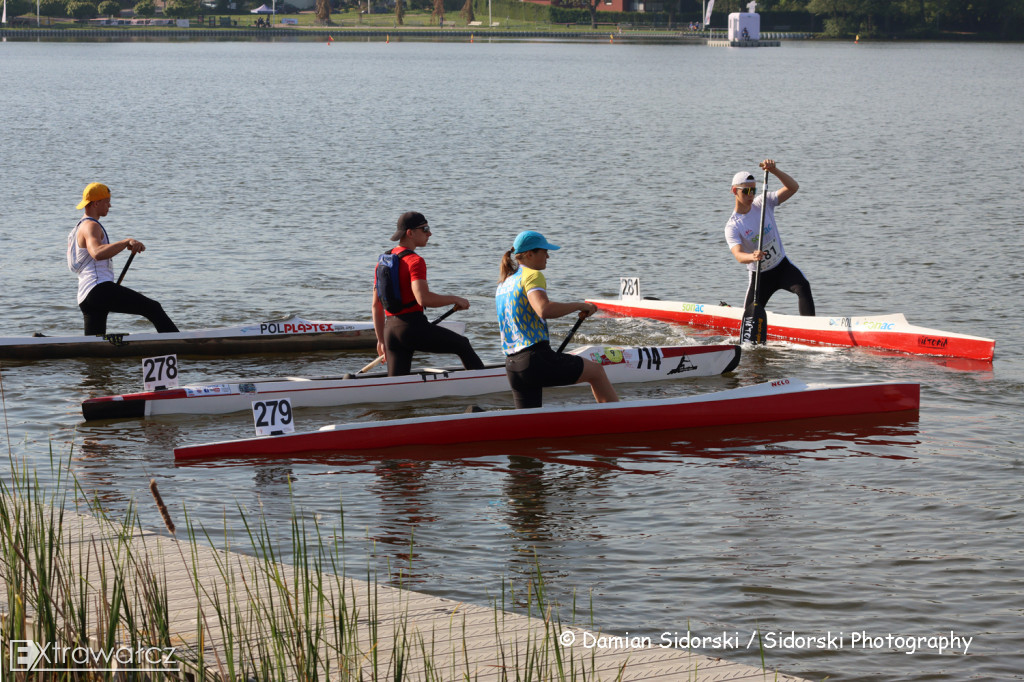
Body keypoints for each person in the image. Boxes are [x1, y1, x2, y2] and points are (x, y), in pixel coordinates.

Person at [495, 230, 618, 410]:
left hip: (513, 365)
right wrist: (579, 306)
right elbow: (543, 309)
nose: (548, 256)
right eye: (545, 251)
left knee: (531, 425)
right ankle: (615, 419)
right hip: (535, 359)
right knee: (596, 371)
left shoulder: (504, 283)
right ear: (530, 254)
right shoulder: (532, 275)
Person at [371, 211, 484, 376]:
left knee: (397, 385)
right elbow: (423, 299)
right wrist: (455, 299)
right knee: (462, 344)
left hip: (390, 332)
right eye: (425, 229)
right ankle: (482, 384)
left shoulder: (383, 261)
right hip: (412, 328)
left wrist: (381, 340)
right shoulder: (415, 261)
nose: (429, 233)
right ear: (410, 233)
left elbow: (376, 305)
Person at [67, 183, 179, 336]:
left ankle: (45, 344)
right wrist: (125, 242)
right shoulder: (90, 226)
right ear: (96, 203)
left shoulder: (78, 227)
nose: (110, 205)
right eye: (107, 201)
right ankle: (178, 344)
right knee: (153, 308)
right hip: (99, 289)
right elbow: (97, 253)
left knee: (94, 345)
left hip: (86, 297)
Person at [724, 159, 815, 316]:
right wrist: (752, 256)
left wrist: (774, 170)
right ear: (734, 191)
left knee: (803, 286)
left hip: (782, 266)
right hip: (760, 275)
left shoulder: (763, 203)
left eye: (753, 190)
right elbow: (738, 255)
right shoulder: (733, 226)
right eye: (746, 191)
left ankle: (811, 329)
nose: (751, 195)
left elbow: (793, 188)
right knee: (748, 315)